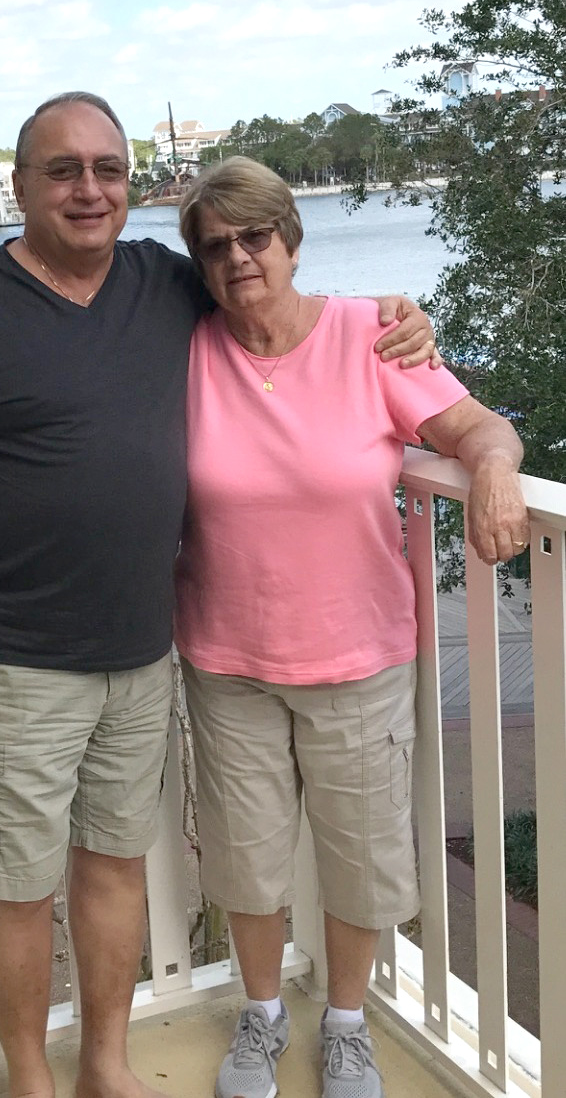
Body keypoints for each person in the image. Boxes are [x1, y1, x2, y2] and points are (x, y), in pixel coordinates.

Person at [0, 92, 439, 1098]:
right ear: (21, 185)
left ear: (131, 187)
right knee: (16, 885)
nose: (89, 188)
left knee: (113, 866)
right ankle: (29, 1081)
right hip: (6, 655)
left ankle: (102, 1064)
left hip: (139, 654)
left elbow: (272, 289)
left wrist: (398, 313)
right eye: (63, 169)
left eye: (109, 168)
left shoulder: (165, 281)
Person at [173, 157, 530, 1098]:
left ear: (291, 238)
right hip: (227, 655)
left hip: (360, 655)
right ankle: (259, 1018)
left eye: (255, 236)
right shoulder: (185, 347)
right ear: (199, 265)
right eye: (216, 246)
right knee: (247, 860)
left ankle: (344, 1024)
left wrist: (493, 474)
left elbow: (482, 430)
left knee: (362, 857)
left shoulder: (370, 337)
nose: (239, 257)